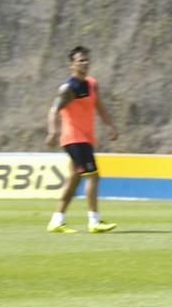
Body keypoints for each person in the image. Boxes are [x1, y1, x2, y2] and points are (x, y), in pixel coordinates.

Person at [45, 46, 118, 234]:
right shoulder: (69, 89)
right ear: (72, 64)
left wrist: (110, 125)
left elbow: (99, 107)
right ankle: (94, 221)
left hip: (85, 139)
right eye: (80, 61)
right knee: (93, 176)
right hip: (74, 139)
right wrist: (53, 132)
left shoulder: (92, 84)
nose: (85, 63)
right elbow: (54, 110)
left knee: (73, 180)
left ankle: (56, 221)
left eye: (86, 60)